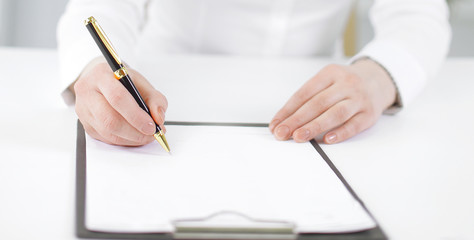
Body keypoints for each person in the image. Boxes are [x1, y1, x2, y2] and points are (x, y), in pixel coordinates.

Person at [57, 0, 451, 146]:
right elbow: (98, 9)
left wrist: (378, 76)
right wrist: (91, 69)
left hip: (313, 104)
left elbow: (419, 15)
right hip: (163, 95)